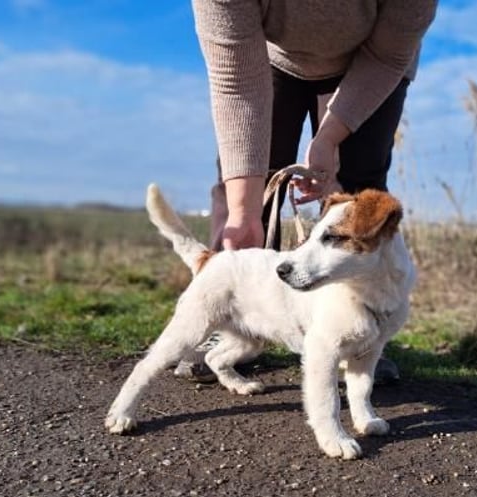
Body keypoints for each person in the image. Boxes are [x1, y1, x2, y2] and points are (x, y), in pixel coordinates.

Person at [184, 0, 437, 382]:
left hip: (373, 60)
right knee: (249, 183)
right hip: (271, 56)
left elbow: (386, 56)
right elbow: (236, 84)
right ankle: (229, 326)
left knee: (359, 184)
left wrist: (329, 138)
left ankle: (358, 338)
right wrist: (244, 211)